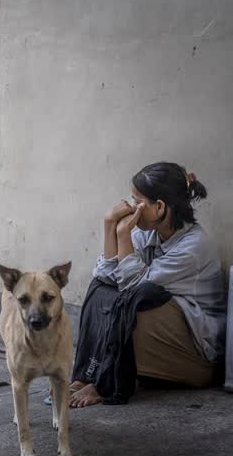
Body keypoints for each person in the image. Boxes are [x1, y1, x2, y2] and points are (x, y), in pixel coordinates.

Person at [70, 162, 227, 407]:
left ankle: (107, 383)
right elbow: (106, 276)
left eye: (137, 201)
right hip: (166, 337)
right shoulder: (147, 232)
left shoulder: (193, 247)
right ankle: (86, 374)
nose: (131, 207)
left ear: (160, 207)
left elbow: (133, 287)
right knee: (101, 289)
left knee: (141, 294)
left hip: (198, 357)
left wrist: (123, 236)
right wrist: (109, 225)